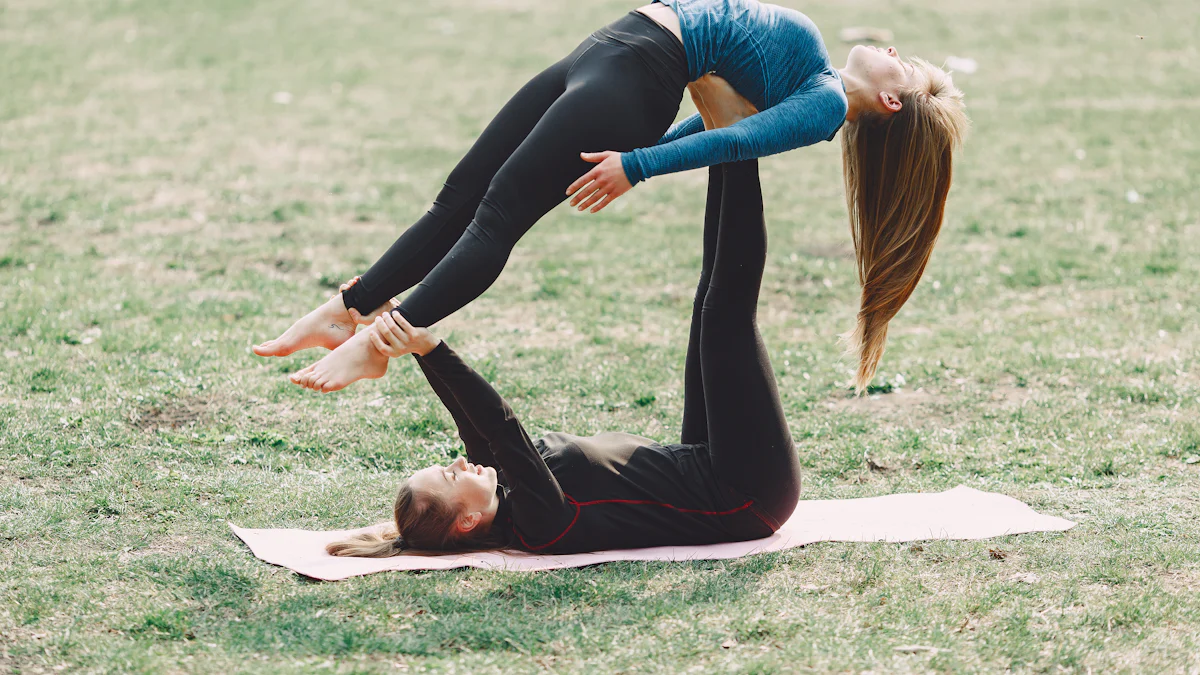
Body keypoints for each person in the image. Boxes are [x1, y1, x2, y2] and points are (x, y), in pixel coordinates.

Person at [254, 0, 967, 394]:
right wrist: (648, 156)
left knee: (498, 212)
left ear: (891, 102)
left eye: (903, 67)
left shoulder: (821, 103)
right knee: (461, 193)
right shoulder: (809, 73)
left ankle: (384, 339)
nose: (892, 51)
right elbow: (723, 121)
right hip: (614, 48)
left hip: (635, 80)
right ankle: (349, 306)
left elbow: (730, 144)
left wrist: (638, 165)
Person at [327, 158, 799, 556]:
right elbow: (502, 426)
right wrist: (433, 346)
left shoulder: (505, 490)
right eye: (450, 476)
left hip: (703, 462)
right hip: (746, 495)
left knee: (709, 306)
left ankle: (727, 138)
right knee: (725, 314)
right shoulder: (540, 524)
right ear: (468, 522)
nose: (458, 463)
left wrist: (407, 340)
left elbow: (469, 416)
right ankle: (739, 140)